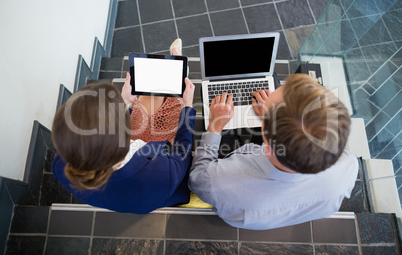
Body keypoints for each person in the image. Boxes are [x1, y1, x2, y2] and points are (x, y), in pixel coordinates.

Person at [189, 73, 359, 230]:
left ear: (267, 148)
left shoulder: (221, 182)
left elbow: (197, 177)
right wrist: (279, 122)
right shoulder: (348, 166)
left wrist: (214, 127)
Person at [52, 39, 196, 214]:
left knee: (146, 101)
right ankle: (180, 68)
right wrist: (188, 107)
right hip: (163, 180)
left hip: (133, 174)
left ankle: (178, 66)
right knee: (175, 103)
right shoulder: (161, 175)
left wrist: (125, 102)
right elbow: (182, 151)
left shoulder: (63, 165)